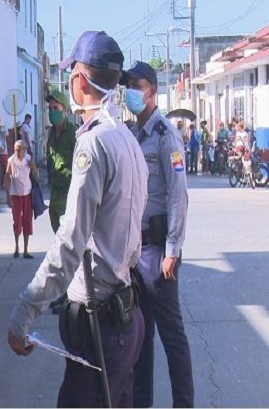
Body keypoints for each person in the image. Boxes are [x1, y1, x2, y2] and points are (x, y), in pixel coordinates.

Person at [8, 30, 148, 407]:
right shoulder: (127, 138)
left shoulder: (93, 142)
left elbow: (70, 241)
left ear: (78, 80)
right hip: (124, 313)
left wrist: (24, 312)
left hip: (102, 324)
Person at [122, 61, 194, 408]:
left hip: (160, 251)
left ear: (151, 89)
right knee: (140, 335)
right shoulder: (132, 135)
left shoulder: (167, 135)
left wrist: (172, 250)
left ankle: (183, 403)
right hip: (137, 252)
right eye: (127, 86)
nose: (130, 93)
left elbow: (179, 195)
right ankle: (141, 403)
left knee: (172, 335)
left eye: (136, 85)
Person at [45, 90, 77, 233]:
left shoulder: (72, 133)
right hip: (55, 190)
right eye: (50, 109)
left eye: (56, 108)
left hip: (69, 190)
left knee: (68, 234)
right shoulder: (51, 133)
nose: (52, 112)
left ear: (65, 110)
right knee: (56, 227)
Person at [4, 140, 37, 259]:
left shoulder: (28, 158)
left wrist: (32, 166)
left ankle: (26, 250)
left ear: (24, 149)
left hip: (27, 194)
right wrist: (8, 196)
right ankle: (17, 247)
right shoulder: (11, 160)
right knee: (17, 220)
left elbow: (35, 172)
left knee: (27, 220)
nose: (17, 152)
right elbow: (6, 177)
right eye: (16, 150)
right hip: (15, 194)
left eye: (19, 150)